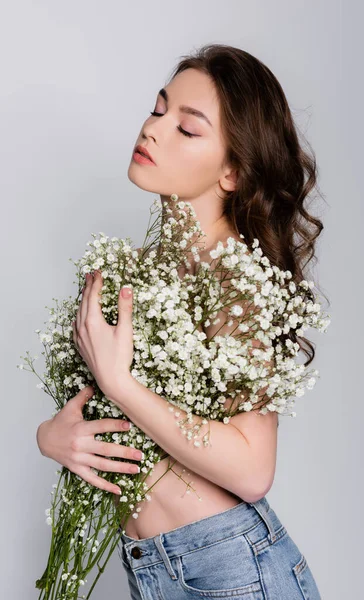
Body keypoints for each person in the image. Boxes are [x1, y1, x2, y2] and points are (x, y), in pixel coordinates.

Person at [36, 43, 324, 599]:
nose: (152, 129)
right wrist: (51, 437)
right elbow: (102, 419)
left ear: (233, 171)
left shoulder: (238, 281)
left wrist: (122, 385)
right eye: (158, 108)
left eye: (186, 129)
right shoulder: (143, 274)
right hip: (154, 569)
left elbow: (252, 469)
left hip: (232, 571)